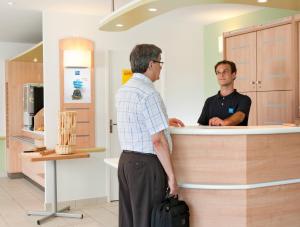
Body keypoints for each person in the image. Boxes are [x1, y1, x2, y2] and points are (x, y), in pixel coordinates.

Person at [116, 44, 184, 227]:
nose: (161, 66)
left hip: (126, 162)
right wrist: (172, 177)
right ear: (151, 64)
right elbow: (158, 141)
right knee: (146, 219)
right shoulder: (149, 93)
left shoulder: (124, 90)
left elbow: (136, 120)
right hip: (146, 167)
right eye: (160, 62)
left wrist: (163, 121)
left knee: (129, 218)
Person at [198, 60, 251, 126]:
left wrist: (224, 123)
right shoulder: (209, 101)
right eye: (218, 72)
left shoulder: (244, 99)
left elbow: (239, 116)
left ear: (233, 75)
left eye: (225, 72)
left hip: (235, 136)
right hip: (213, 136)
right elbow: (201, 125)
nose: (221, 75)